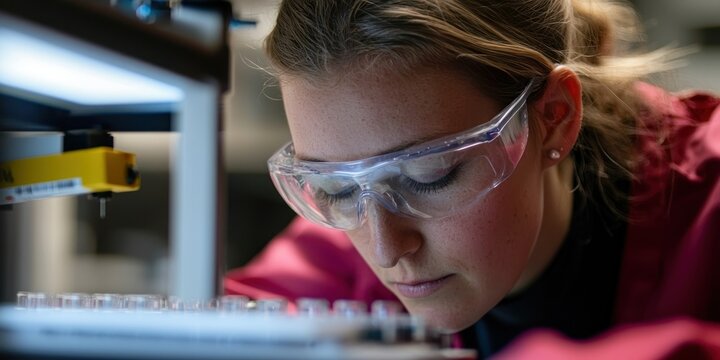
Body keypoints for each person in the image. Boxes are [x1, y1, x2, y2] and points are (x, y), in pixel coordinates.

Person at [225, 0, 720, 358]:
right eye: (336, 187)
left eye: (429, 177)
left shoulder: (707, 200)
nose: (385, 248)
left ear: (554, 116)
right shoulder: (350, 231)